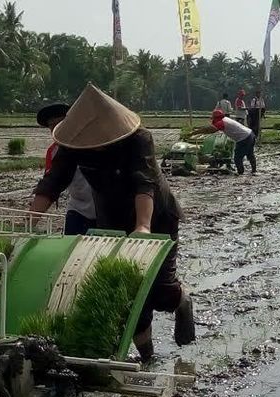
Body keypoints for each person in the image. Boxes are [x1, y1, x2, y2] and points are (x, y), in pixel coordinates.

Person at [30, 84, 195, 362]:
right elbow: (54, 181)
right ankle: (148, 358)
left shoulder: (138, 139)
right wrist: (31, 219)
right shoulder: (74, 145)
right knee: (128, 292)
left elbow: (145, 183)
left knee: (159, 291)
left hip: (156, 215)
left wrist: (143, 226)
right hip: (110, 216)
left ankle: (182, 301)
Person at [37, 103, 96, 236]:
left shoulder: (97, 143)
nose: (56, 130)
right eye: (52, 127)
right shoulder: (54, 151)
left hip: (108, 210)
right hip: (78, 209)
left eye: (60, 124)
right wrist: (29, 220)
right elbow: (51, 184)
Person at [190, 109, 256, 175]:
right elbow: (209, 128)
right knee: (250, 154)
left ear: (216, 118)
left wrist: (194, 133)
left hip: (244, 138)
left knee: (237, 157)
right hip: (250, 134)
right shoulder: (226, 119)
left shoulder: (221, 122)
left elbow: (210, 130)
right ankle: (254, 170)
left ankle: (240, 172)